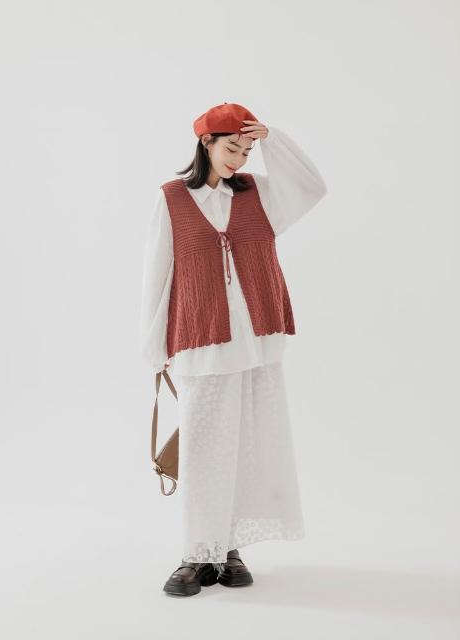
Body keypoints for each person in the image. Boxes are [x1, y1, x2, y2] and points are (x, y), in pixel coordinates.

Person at [139, 102, 327, 597]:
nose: (240, 159)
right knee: (203, 451)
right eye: (232, 148)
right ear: (206, 142)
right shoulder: (172, 199)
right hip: (202, 342)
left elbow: (312, 187)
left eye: (247, 150)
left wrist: (273, 139)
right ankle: (195, 554)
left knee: (247, 447)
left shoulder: (258, 193)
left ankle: (227, 550)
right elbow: (157, 273)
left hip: (258, 342)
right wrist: (154, 346)